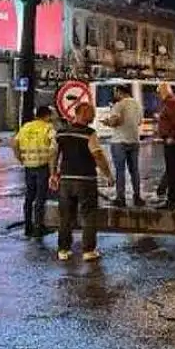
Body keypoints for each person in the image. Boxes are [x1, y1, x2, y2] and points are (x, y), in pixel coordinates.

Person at [50, 103, 114, 261]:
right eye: (91, 114)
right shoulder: (89, 133)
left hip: (66, 180)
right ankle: (88, 251)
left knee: (65, 216)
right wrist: (108, 175)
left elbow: (53, 154)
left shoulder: (61, 133)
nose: (93, 117)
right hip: (86, 179)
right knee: (88, 215)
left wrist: (53, 174)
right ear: (83, 113)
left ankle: (63, 250)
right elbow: (97, 155)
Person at [10, 105, 56, 237]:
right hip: (42, 166)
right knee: (40, 197)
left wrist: (20, 158)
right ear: (47, 116)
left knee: (29, 197)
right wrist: (53, 171)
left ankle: (28, 226)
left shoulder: (26, 127)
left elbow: (14, 142)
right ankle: (39, 226)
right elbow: (53, 149)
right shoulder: (48, 128)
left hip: (28, 166)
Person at [102, 84, 145, 208]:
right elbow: (139, 122)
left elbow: (115, 121)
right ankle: (137, 197)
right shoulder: (137, 105)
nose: (114, 94)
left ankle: (120, 198)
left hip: (119, 141)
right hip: (134, 140)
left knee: (120, 171)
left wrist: (107, 123)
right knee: (135, 170)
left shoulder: (119, 105)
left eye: (115, 92)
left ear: (120, 92)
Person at [155, 82, 175, 209]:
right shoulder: (171, 102)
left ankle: (173, 201)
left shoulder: (172, 103)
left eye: (159, 92)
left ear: (165, 91)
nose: (158, 95)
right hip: (171, 141)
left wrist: (172, 137)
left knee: (173, 172)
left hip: (172, 142)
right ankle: (173, 199)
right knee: (173, 171)